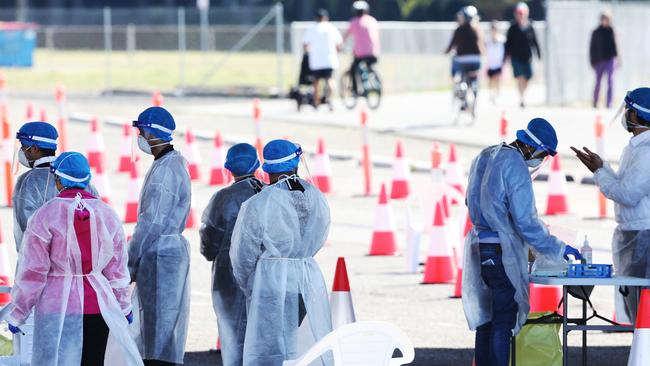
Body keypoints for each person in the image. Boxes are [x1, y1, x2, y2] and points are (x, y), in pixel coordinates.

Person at [4, 152, 142, 366]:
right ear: (87, 179)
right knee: (92, 361)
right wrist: (124, 306)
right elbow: (117, 270)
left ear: (58, 179)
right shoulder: (107, 214)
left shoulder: (44, 216)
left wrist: (18, 313)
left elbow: (33, 272)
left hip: (56, 307)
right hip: (98, 306)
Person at [463, 118, 582, 366]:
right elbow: (526, 221)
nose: (542, 160)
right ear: (531, 146)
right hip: (501, 250)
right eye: (543, 154)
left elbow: (470, 200)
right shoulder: (515, 166)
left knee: (486, 320)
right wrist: (558, 247)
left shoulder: (487, 155)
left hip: (479, 246)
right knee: (503, 320)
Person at [230, 139, 332, 366]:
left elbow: (242, 255)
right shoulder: (316, 195)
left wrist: (249, 284)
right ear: (296, 163)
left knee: (270, 350)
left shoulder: (259, 203)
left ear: (266, 168)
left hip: (270, 281)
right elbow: (321, 234)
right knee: (304, 346)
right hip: (307, 279)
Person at [571, 87, 650, 325]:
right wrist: (602, 169)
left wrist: (599, 172)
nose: (625, 114)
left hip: (642, 235)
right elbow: (624, 185)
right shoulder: (635, 147)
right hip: (634, 234)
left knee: (643, 314)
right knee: (637, 311)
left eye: (628, 110)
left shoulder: (646, 152)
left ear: (635, 115)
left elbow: (627, 194)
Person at [129, 106, 191, 366]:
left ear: (151, 134)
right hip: (166, 252)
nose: (139, 137)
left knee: (158, 329)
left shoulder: (164, 171)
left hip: (159, 255)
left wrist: (130, 261)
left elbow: (151, 224)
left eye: (141, 131)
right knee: (163, 327)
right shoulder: (170, 162)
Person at [200, 143, 264, 366]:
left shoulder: (223, 199)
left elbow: (209, 242)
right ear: (257, 164)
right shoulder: (268, 194)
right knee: (264, 337)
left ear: (228, 167)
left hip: (229, 277)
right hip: (265, 275)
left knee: (233, 339)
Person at [13, 122, 98, 251]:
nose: (21, 151)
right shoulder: (77, 176)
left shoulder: (27, 182)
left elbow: (28, 230)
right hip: (82, 261)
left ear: (34, 148)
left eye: (23, 146)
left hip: (40, 264)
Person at [303, 9, 342, 109]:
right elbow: (339, 43)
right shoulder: (330, 27)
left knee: (316, 82)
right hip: (329, 59)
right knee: (330, 80)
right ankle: (330, 100)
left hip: (316, 61)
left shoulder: (311, 28)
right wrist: (337, 52)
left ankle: (316, 102)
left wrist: (307, 54)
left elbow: (305, 45)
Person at [504, 2, 541, 108]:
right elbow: (508, 44)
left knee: (528, 77)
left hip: (527, 57)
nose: (520, 16)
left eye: (522, 13)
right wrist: (505, 57)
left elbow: (535, 42)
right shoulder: (512, 28)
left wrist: (538, 54)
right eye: (518, 13)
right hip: (516, 57)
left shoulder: (530, 27)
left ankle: (523, 94)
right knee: (520, 77)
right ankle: (522, 98)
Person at [344, 1, 380, 95]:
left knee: (353, 70)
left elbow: (346, 36)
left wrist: (340, 46)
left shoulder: (354, 22)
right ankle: (372, 82)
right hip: (374, 52)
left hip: (360, 53)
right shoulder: (372, 20)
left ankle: (355, 91)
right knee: (367, 68)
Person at [589, 11, 619, 109]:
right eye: (603, 19)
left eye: (607, 19)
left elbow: (616, 46)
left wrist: (618, 59)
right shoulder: (596, 32)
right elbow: (592, 48)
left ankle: (609, 103)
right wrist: (592, 61)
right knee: (598, 82)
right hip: (599, 60)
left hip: (610, 59)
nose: (605, 21)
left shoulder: (612, 30)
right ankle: (595, 101)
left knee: (610, 81)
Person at [445, 6, 484, 79]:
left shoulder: (459, 30)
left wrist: (445, 52)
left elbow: (452, 44)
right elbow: (482, 45)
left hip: (462, 59)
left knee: (454, 61)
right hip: (476, 60)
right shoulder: (477, 30)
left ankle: (456, 80)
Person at [485, 21, 506, 103]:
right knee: (490, 80)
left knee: (497, 79)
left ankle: (497, 93)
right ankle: (491, 94)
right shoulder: (487, 39)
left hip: (498, 63)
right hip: (490, 63)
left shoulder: (502, 39)